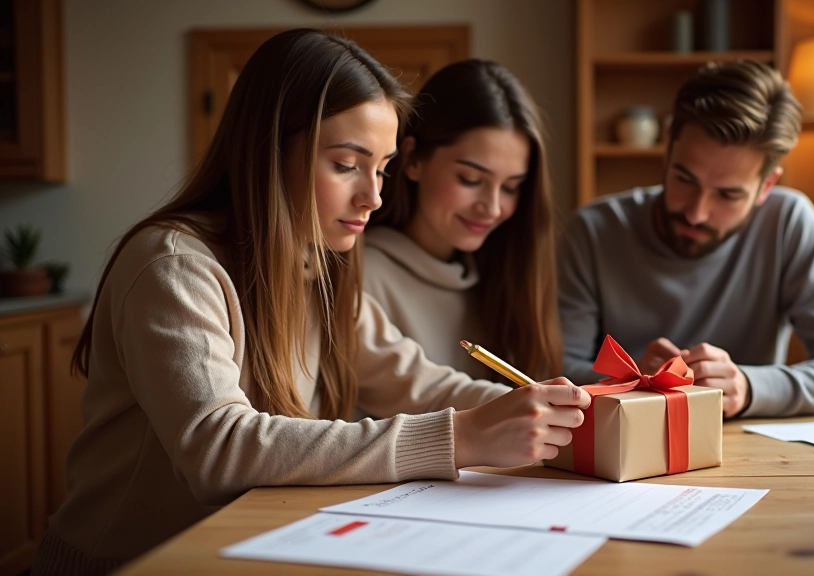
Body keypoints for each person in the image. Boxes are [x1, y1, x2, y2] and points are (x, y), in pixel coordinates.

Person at [34, 30, 589, 575]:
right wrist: (460, 436)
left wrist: (564, 413)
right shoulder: (172, 263)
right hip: (127, 564)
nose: (374, 196)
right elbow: (218, 449)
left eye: (383, 168)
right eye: (347, 165)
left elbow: (416, 381)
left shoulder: (316, 263)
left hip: (245, 551)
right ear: (268, 149)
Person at [558, 60, 814, 418]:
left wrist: (747, 387)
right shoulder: (593, 230)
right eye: (685, 179)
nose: (697, 213)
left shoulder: (787, 223)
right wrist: (631, 381)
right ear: (667, 148)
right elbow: (552, 368)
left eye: (727, 195)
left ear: (766, 186)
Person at [365, 59, 561, 383]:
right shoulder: (363, 276)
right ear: (413, 159)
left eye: (512, 187)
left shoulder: (504, 273)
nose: (492, 208)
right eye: (470, 179)